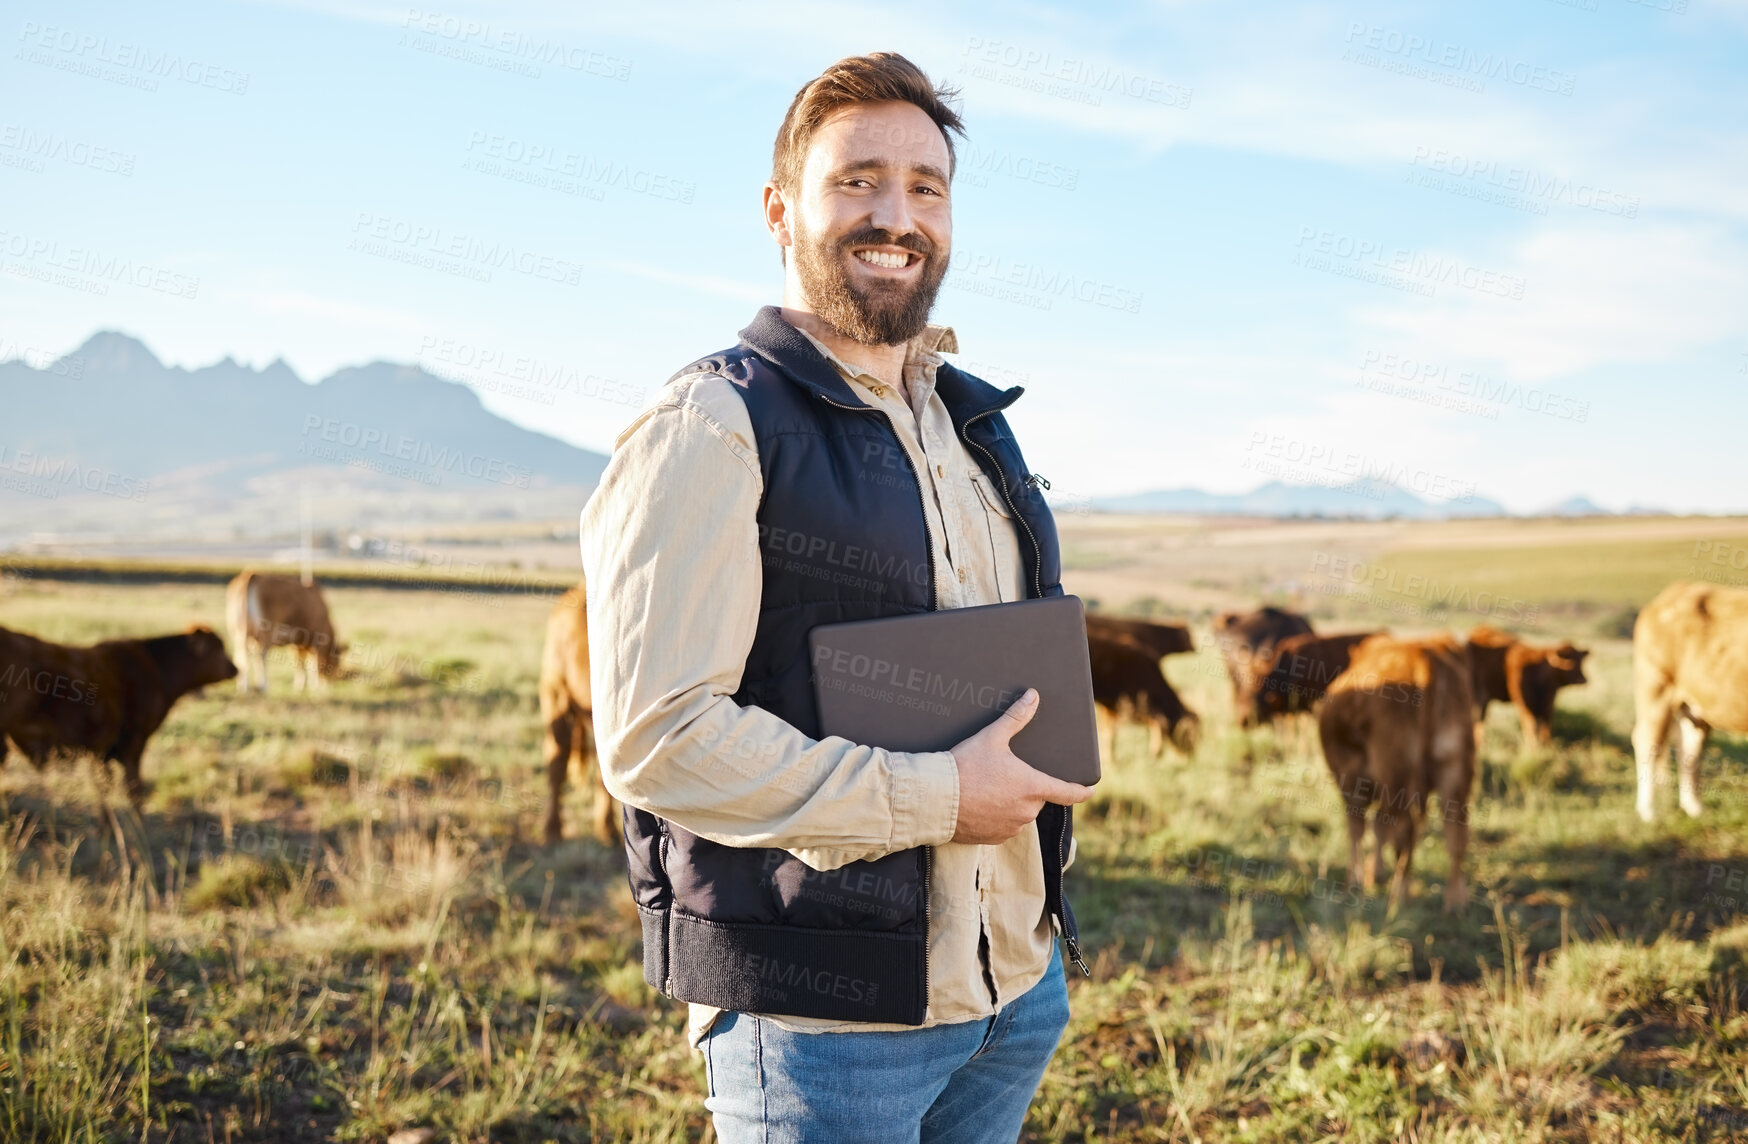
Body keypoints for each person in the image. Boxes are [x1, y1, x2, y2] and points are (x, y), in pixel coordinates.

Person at [579, 51, 1092, 1144]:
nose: (895, 215)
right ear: (780, 210)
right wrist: (940, 797)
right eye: (855, 179)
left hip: (1010, 994)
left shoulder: (969, 421)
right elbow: (657, 739)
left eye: (925, 186)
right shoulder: (712, 425)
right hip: (819, 1022)